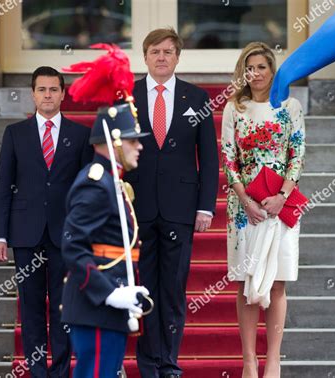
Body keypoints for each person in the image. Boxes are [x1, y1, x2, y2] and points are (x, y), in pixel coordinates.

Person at [123, 28, 219, 377]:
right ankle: (149, 364)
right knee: (145, 289)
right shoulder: (128, 96)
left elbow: (208, 158)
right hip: (139, 208)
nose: (161, 57)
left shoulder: (197, 97)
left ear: (178, 57)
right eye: (155, 51)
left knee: (174, 290)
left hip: (180, 208)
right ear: (145, 57)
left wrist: (205, 206)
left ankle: (169, 363)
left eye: (168, 51)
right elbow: (115, 155)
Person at [0, 66, 93, 378]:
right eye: (42, 90)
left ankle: (61, 371)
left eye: (53, 89)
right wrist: (0, 235)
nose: (48, 95)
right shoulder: (15, 134)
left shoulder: (80, 135)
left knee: (63, 309)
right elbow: (3, 187)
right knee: (32, 310)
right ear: (33, 94)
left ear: (63, 94)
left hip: (66, 236)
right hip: (26, 235)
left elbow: (87, 189)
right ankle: (38, 371)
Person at [221, 42, 305, 378]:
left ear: (273, 71)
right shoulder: (234, 107)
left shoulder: (291, 106)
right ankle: (249, 361)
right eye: (249, 68)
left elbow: (297, 155)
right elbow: (228, 156)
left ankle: (273, 360)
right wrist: (246, 199)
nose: (254, 74)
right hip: (245, 207)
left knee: (277, 284)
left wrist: (282, 196)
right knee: (245, 282)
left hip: (281, 205)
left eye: (261, 67)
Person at [61, 102, 150, 378]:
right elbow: (73, 246)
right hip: (96, 306)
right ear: (113, 142)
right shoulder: (96, 183)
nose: (139, 147)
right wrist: (109, 293)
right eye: (132, 140)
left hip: (107, 307)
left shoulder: (112, 182)